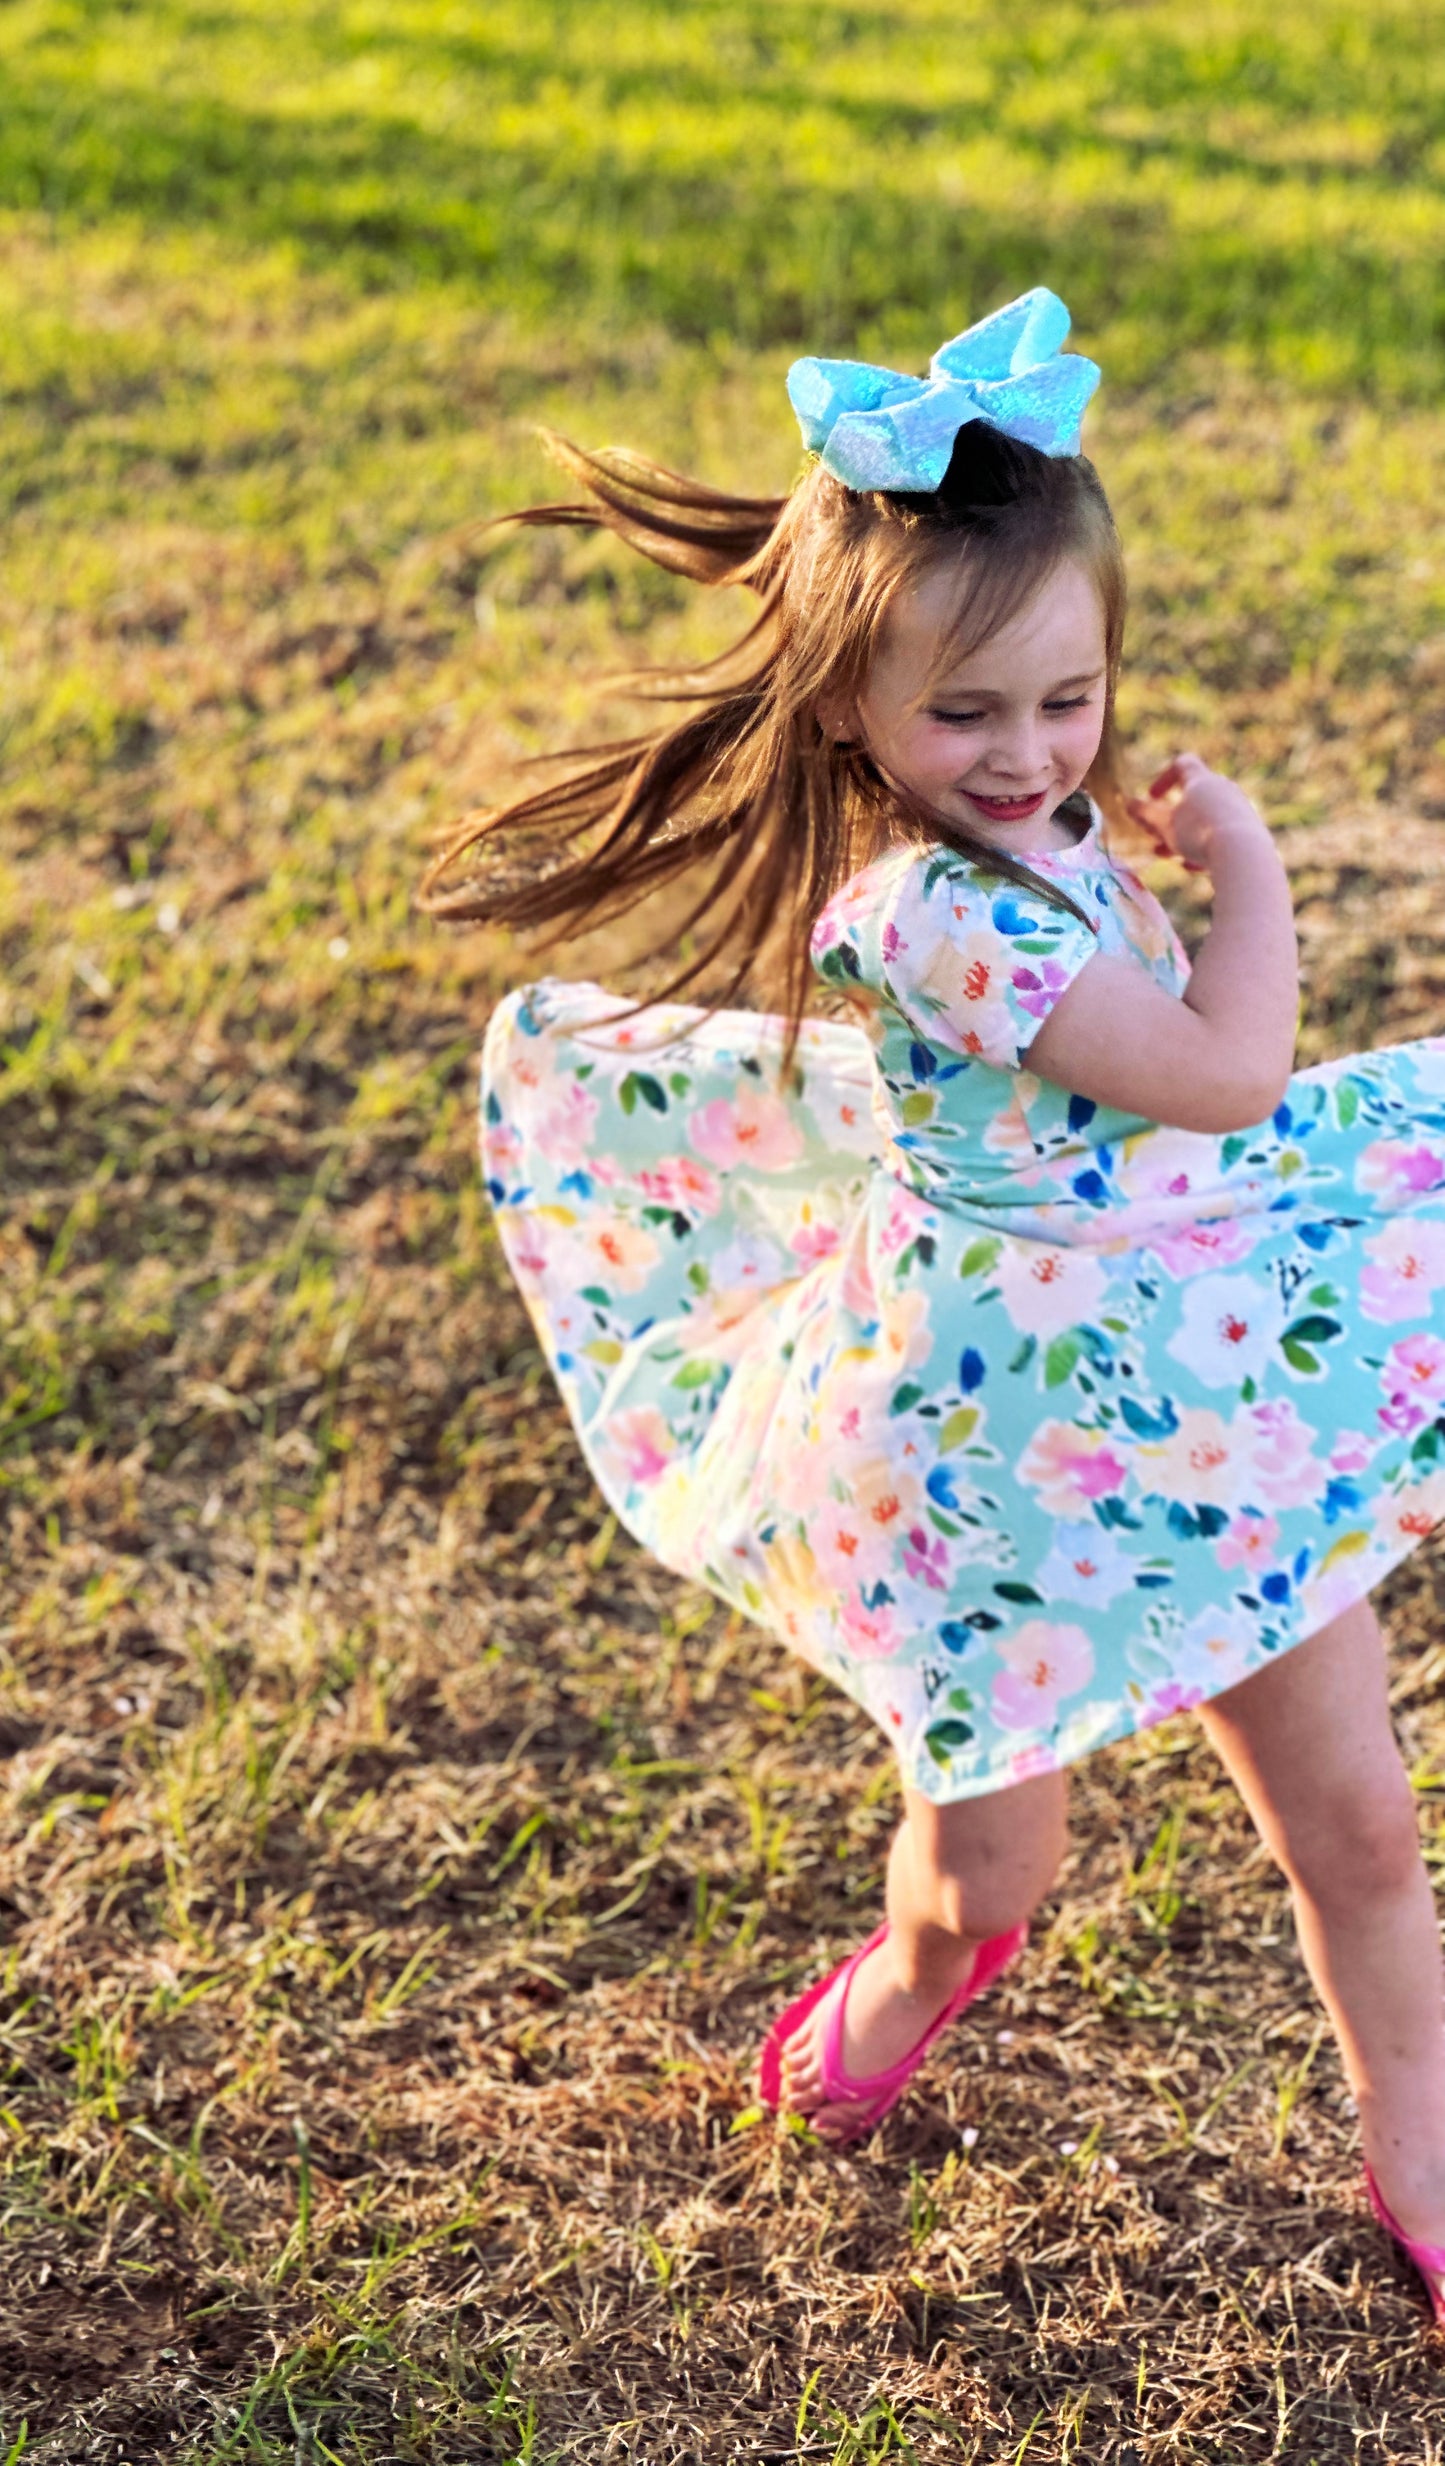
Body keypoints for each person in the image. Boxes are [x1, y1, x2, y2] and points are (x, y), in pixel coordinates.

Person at [428, 289, 1445, 2321]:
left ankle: (1423, 2146)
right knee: (997, 1870)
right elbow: (1229, 1074)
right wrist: (1254, 879)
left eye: (1063, 700)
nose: (1027, 754)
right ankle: (908, 1974)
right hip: (1009, 1457)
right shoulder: (927, 917)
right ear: (846, 712)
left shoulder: (1057, 839)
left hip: (1217, 1399)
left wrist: (1139, 847)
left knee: (1361, 1825)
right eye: (963, 715)